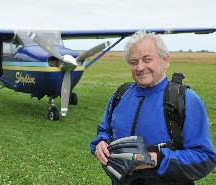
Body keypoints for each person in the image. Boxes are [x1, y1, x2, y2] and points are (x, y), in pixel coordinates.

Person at [90, 30, 216, 184]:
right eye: (134, 62)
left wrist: (157, 159)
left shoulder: (185, 99)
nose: (140, 67)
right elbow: (105, 131)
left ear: (165, 59)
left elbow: (205, 158)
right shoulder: (121, 95)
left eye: (147, 59)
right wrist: (101, 143)